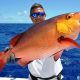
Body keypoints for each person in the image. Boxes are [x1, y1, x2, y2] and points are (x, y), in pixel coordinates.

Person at [28, 3, 63, 80]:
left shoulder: (56, 32)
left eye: (41, 14)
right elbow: (18, 55)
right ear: (30, 17)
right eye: (34, 15)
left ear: (45, 15)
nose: (38, 17)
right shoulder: (25, 37)